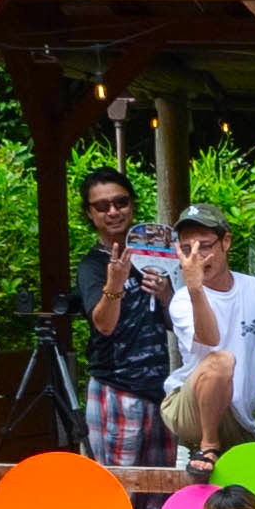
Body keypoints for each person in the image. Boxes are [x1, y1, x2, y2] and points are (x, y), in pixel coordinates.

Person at [160, 201, 255, 464]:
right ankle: (209, 445)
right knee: (222, 361)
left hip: (239, 415)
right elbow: (210, 340)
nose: (197, 256)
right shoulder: (183, 299)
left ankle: (217, 445)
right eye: (187, 249)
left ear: (226, 242)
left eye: (205, 246)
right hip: (189, 409)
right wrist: (197, 289)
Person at [73, 167, 181, 464]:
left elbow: (178, 325)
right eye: (102, 206)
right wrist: (115, 283)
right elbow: (104, 325)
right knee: (121, 490)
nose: (113, 211)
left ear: (132, 205)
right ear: (90, 214)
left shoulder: (157, 256)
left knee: (160, 489)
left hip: (159, 389)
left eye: (120, 202)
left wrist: (166, 295)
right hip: (116, 389)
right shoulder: (92, 266)